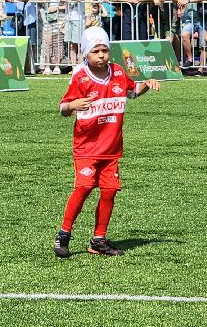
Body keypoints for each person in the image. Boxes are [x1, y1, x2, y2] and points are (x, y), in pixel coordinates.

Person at [53, 26, 160, 259]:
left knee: (109, 191)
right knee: (83, 188)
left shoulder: (119, 72)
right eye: (95, 51)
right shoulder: (80, 77)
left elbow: (133, 92)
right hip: (86, 147)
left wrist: (147, 84)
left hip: (111, 148)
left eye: (104, 50)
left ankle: (98, 239)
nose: (101, 55)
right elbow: (62, 108)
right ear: (85, 54)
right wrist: (73, 105)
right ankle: (63, 234)